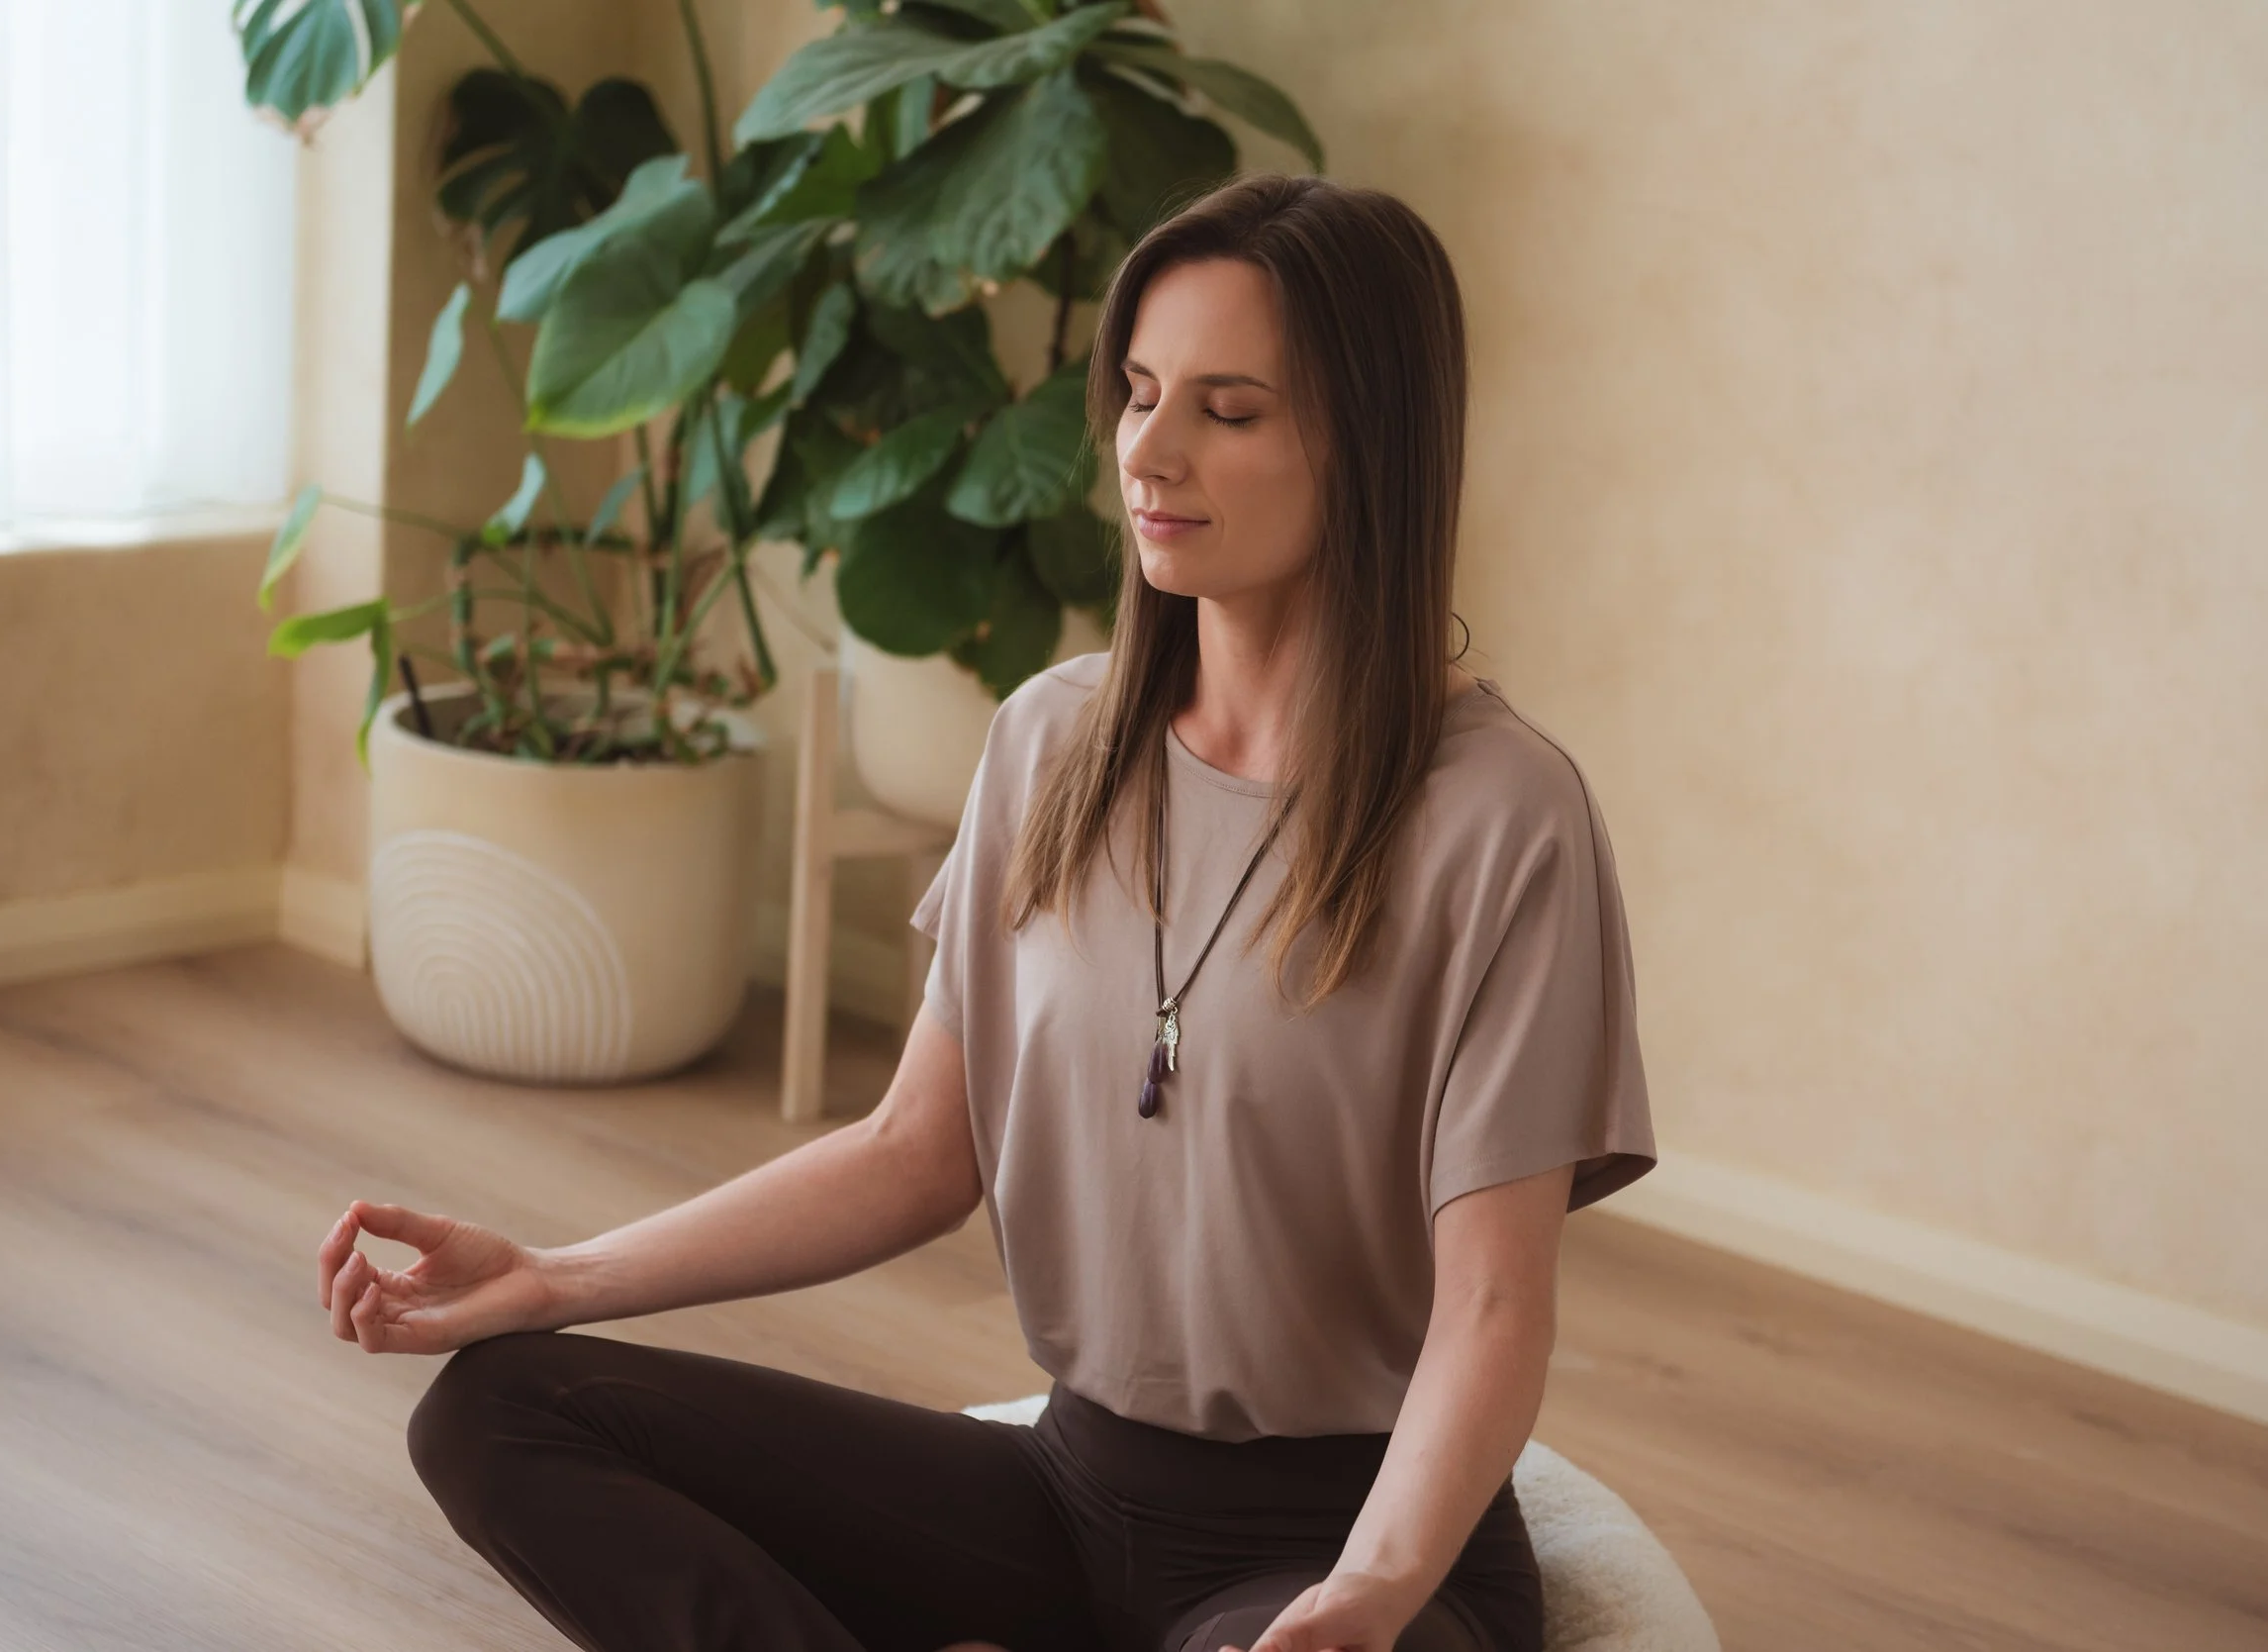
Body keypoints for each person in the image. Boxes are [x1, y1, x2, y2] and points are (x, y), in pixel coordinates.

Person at [319, 171, 1657, 1652]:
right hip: (1071, 1487)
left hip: (1339, 1544)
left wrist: (1379, 1590)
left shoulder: (1499, 817)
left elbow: (1493, 1311)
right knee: (504, 1412)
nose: (1145, 450)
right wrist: (556, 1277)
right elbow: (914, 1151)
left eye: (1229, 409)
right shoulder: (1050, 741)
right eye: (1139, 392)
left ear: (1373, 448)